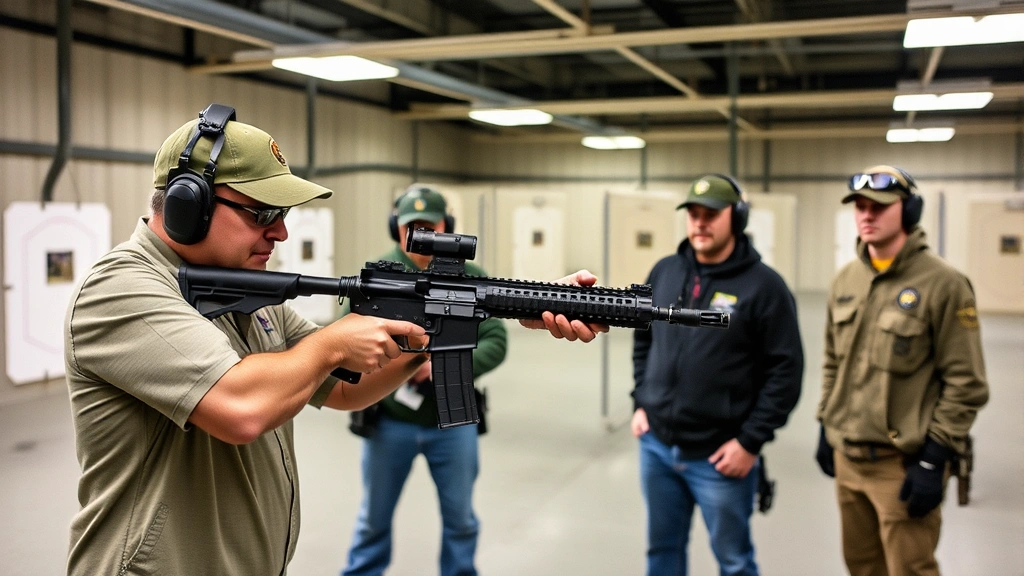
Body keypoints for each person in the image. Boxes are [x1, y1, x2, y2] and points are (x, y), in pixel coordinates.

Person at [62, 105, 601, 576]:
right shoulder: (121, 288)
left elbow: (345, 390)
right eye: (263, 214)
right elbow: (240, 407)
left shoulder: (242, 293)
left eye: (284, 216)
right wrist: (333, 342)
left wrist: (444, 326)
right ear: (188, 205)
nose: (280, 233)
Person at [816, 165, 989, 576]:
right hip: (848, 460)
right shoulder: (846, 279)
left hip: (900, 465)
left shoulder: (944, 284)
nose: (867, 215)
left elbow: (966, 383)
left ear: (909, 211)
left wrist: (934, 459)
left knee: (909, 570)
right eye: (859, 207)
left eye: (879, 206)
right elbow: (832, 362)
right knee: (861, 566)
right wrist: (826, 423)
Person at [631, 174, 804, 576]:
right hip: (657, 447)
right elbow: (643, 341)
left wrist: (750, 441)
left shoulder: (765, 287)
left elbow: (786, 371)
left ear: (737, 217)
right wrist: (640, 401)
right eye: (693, 213)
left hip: (719, 456)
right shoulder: (664, 272)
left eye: (711, 214)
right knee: (662, 552)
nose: (699, 222)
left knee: (735, 561)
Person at [341, 185, 507, 576]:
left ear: (446, 226)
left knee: (462, 522)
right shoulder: (379, 274)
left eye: (427, 226)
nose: (418, 235)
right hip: (391, 421)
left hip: (452, 424)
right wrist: (395, 364)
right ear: (394, 229)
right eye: (409, 226)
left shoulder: (471, 277)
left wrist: (447, 363)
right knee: (372, 522)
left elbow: (496, 340)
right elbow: (345, 338)